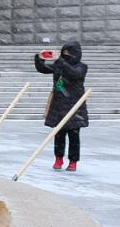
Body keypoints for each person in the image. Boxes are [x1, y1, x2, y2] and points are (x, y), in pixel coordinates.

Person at [35, 43, 89, 171]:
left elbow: (74, 74)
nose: (66, 55)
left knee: (73, 136)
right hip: (59, 105)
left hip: (74, 106)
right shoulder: (59, 65)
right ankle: (58, 158)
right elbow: (42, 69)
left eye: (68, 53)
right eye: (64, 52)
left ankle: (73, 161)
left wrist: (60, 62)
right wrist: (39, 58)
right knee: (59, 135)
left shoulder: (81, 67)